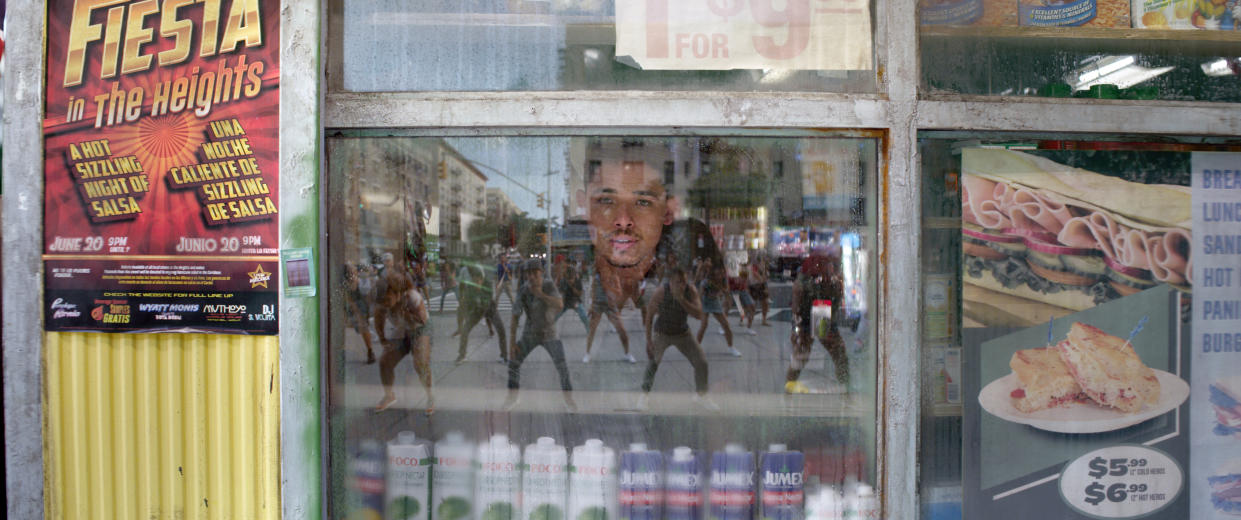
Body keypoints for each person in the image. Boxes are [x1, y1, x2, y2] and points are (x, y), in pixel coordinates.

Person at [579, 161, 675, 364]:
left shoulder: (623, 271)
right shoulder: (600, 268)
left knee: (621, 330)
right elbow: (599, 285)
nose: (623, 220)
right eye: (606, 200)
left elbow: (621, 285)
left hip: (611, 305)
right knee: (593, 329)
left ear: (666, 214)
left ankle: (626, 353)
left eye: (642, 202)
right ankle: (589, 353)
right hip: (600, 305)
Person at [504, 260, 576, 411]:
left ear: (541, 273)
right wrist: (512, 344)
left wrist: (541, 295)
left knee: (562, 368)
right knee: (514, 363)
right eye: (528, 273)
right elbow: (515, 316)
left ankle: (569, 401)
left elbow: (560, 304)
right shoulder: (523, 290)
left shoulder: (548, 285)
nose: (531, 277)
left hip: (550, 333)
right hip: (530, 333)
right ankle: (512, 398)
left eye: (535, 273)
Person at [641, 267, 716, 410]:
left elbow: (699, 314)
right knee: (653, 362)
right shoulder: (661, 292)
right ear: (670, 282)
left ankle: (702, 396)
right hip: (662, 332)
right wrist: (649, 341)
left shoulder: (690, 291)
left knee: (701, 362)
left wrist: (682, 300)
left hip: (682, 333)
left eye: (683, 282)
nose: (681, 285)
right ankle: (644, 395)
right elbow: (649, 315)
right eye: (677, 282)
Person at [373, 265, 434, 414]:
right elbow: (378, 322)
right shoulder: (382, 305)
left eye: (388, 299)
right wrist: (382, 340)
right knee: (384, 362)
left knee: (420, 364)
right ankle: (389, 396)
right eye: (382, 301)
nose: (386, 304)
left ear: (397, 293)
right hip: (403, 331)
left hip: (420, 329)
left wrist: (407, 314)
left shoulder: (412, 297)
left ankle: (430, 396)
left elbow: (423, 321)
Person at [786, 251, 849, 394]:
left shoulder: (817, 272)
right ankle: (846, 391)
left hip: (817, 310)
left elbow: (797, 304)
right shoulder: (815, 273)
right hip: (816, 310)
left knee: (802, 357)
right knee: (805, 356)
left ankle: (788, 391)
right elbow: (797, 303)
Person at [454, 263, 507, 365]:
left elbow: (487, 300)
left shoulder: (487, 284)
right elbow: (467, 304)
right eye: (475, 280)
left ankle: (504, 356)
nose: (477, 283)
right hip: (477, 311)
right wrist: (468, 314)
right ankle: (462, 355)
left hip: (490, 309)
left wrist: (479, 295)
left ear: (482, 279)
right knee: (465, 330)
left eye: (479, 280)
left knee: (501, 330)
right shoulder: (470, 287)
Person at [695, 260, 741, 357]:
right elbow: (700, 294)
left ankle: (731, 347)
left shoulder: (723, 280)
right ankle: (695, 349)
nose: (720, 276)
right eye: (718, 274)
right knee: (704, 326)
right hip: (705, 302)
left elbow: (726, 292)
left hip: (715, 302)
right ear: (713, 273)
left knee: (726, 326)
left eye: (722, 273)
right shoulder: (706, 282)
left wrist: (728, 301)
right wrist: (699, 306)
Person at [342, 263, 376, 364]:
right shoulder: (346, 283)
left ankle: (370, 351)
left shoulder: (359, 281)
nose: (352, 272)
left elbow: (367, 296)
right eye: (350, 270)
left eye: (353, 270)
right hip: (351, 308)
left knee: (364, 328)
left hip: (359, 309)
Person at [555, 258, 589, 330]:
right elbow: (560, 293)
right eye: (568, 278)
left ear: (574, 276)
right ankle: (549, 330)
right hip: (565, 301)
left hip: (575, 300)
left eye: (572, 278)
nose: (570, 280)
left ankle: (589, 330)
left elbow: (579, 293)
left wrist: (573, 287)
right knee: (555, 316)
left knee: (584, 316)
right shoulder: (563, 281)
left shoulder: (577, 281)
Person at [729, 269, 758, 334]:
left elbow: (745, 279)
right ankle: (722, 327)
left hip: (743, 290)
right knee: (726, 308)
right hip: (733, 291)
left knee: (752, 308)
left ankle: (749, 328)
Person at [748, 255, 771, 327]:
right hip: (753, 286)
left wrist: (764, 281)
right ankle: (745, 320)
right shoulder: (752, 266)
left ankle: (764, 319)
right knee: (752, 305)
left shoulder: (763, 266)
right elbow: (755, 274)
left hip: (760, 285)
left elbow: (764, 277)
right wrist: (762, 279)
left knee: (765, 302)